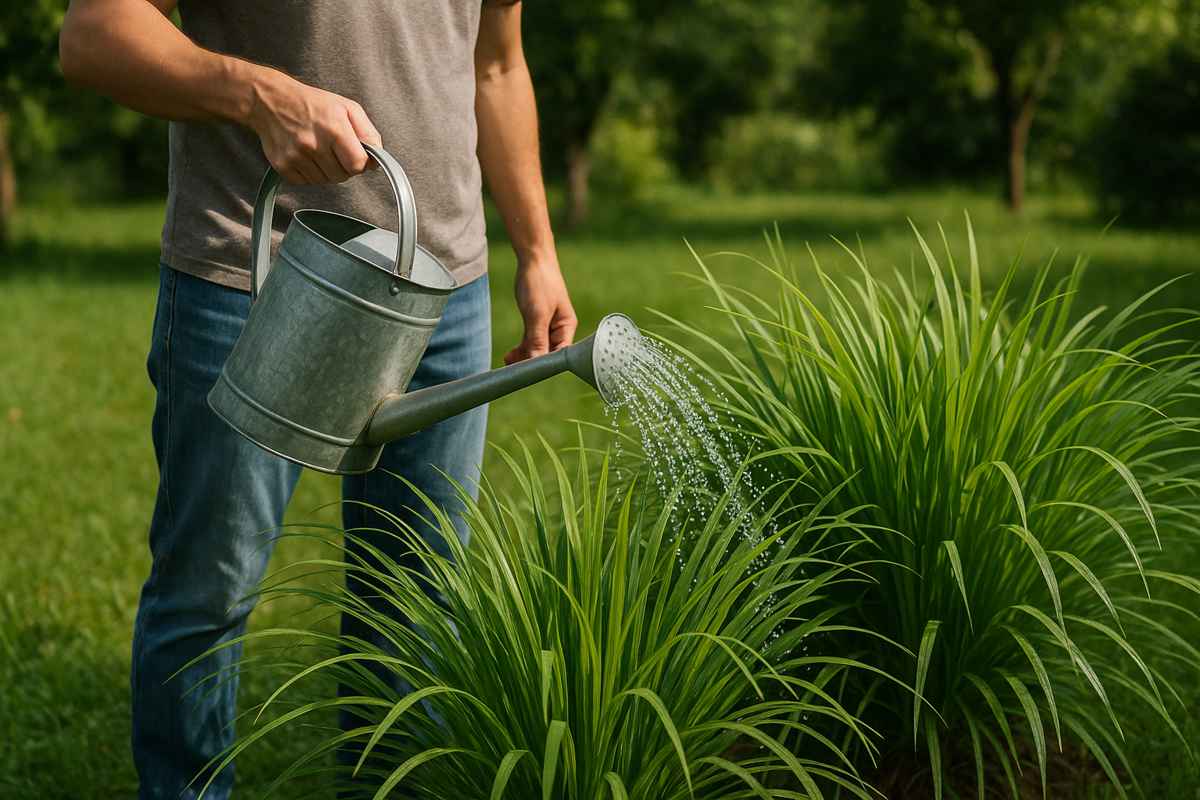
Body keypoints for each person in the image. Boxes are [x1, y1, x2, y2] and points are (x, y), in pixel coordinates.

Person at [58, 1, 577, 797]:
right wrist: (261, 95)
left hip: (441, 290)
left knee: (415, 601)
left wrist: (537, 251)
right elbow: (95, 35)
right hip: (253, 270)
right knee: (209, 596)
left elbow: (495, 63)